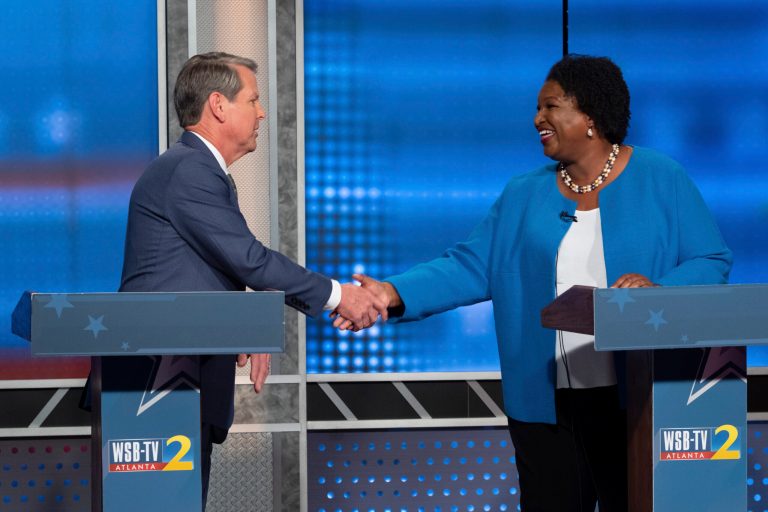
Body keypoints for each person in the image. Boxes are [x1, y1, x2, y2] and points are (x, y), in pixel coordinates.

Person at [343, 55, 732, 511]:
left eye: (551, 107)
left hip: (638, 400)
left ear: (589, 115)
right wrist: (392, 292)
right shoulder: (523, 194)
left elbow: (711, 259)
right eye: (537, 108)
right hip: (545, 405)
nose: (537, 119)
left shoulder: (661, 178)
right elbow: (470, 264)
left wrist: (657, 292)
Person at [119, 52, 386, 505]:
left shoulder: (201, 171)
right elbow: (249, 259)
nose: (262, 113)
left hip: (178, 385)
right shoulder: (190, 170)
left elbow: (206, 267)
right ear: (218, 105)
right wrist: (338, 295)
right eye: (253, 100)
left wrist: (247, 323)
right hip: (157, 388)